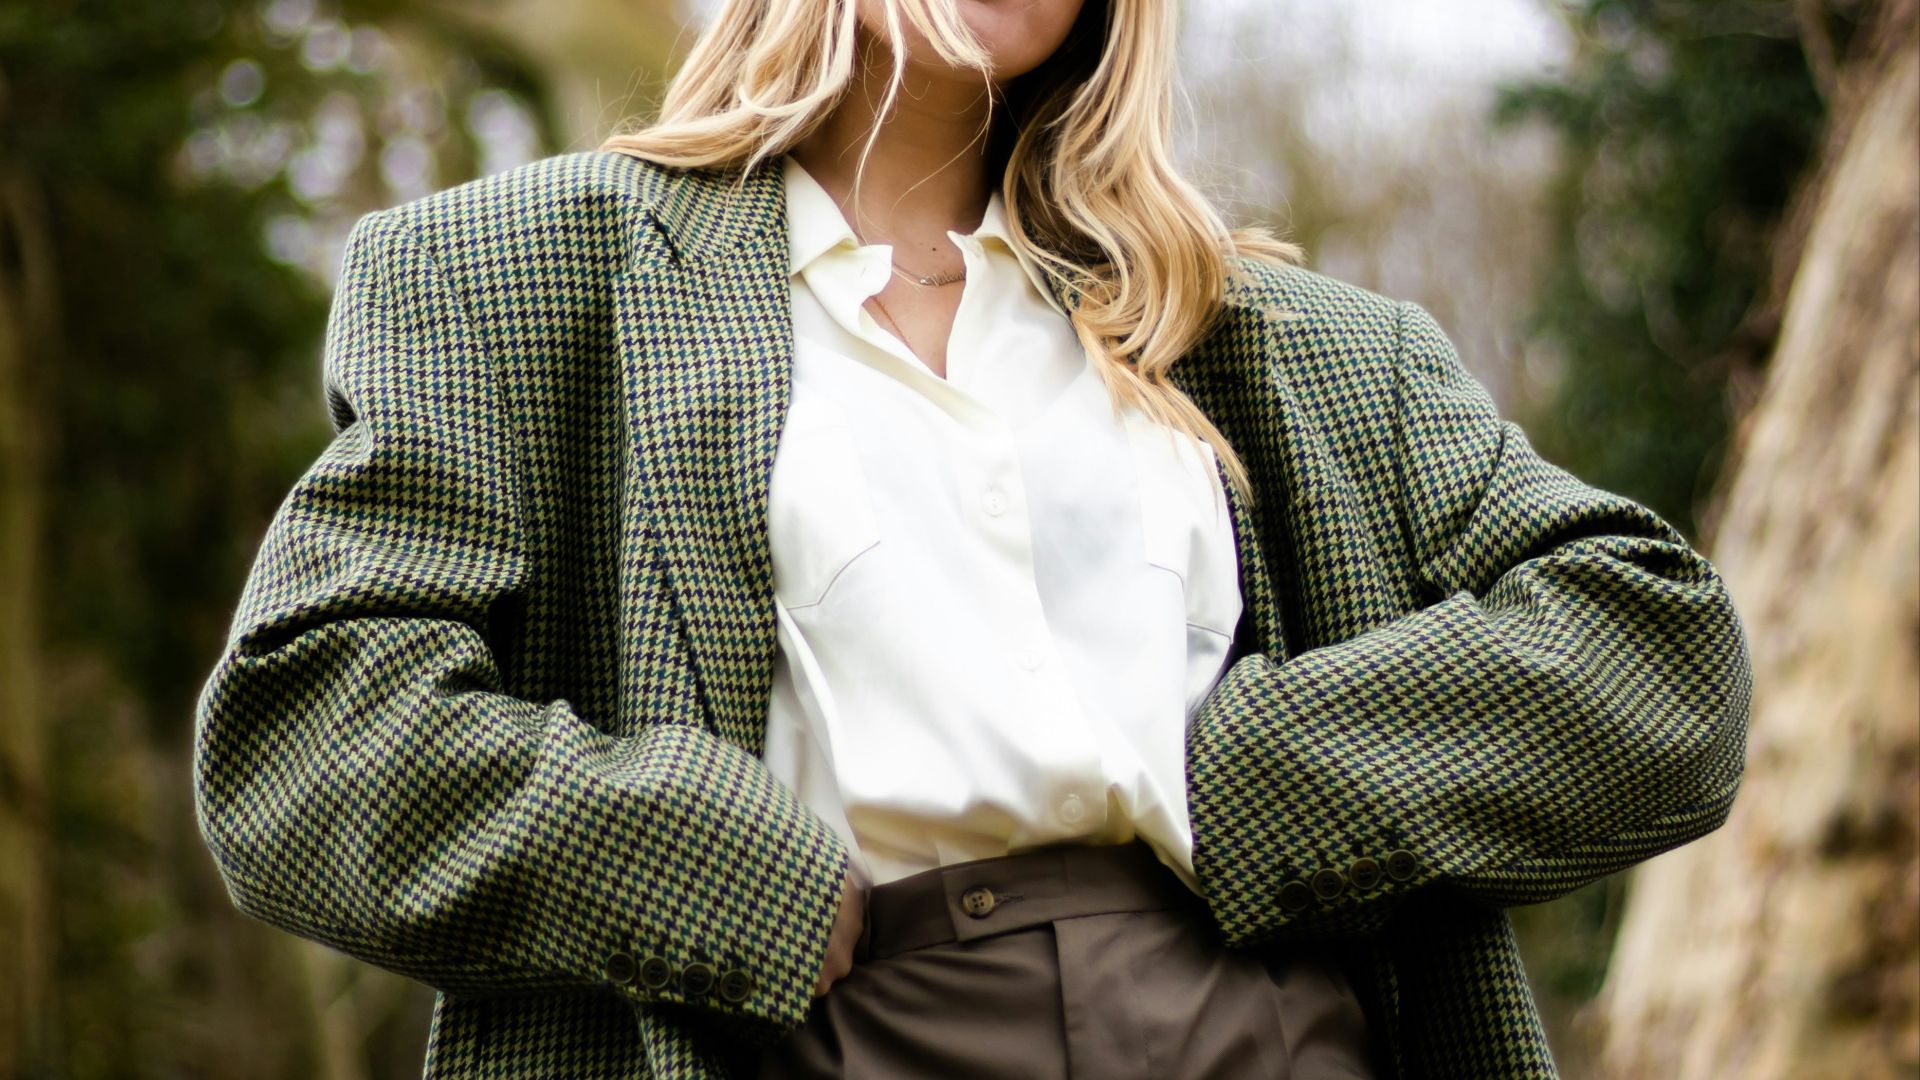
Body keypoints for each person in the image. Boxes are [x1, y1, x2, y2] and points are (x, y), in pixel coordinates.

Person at [191, 0, 1755, 1076]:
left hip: (1255, 1026)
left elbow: (1657, 658)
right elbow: (311, 732)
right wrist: (718, 870)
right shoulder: (513, 280)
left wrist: (1259, 779)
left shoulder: (1280, 339)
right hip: (811, 1033)